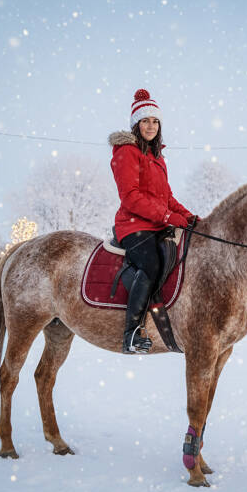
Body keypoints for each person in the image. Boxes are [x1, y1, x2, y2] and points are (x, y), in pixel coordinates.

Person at [108, 89, 195, 354]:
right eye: (145, 121)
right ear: (136, 124)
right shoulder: (126, 152)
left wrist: (190, 217)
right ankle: (132, 333)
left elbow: (166, 197)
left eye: (155, 121)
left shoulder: (157, 158)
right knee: (152, 263)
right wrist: (169, 217)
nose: (151, 126)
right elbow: (131, 197)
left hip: (156, 225)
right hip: (133, 226)